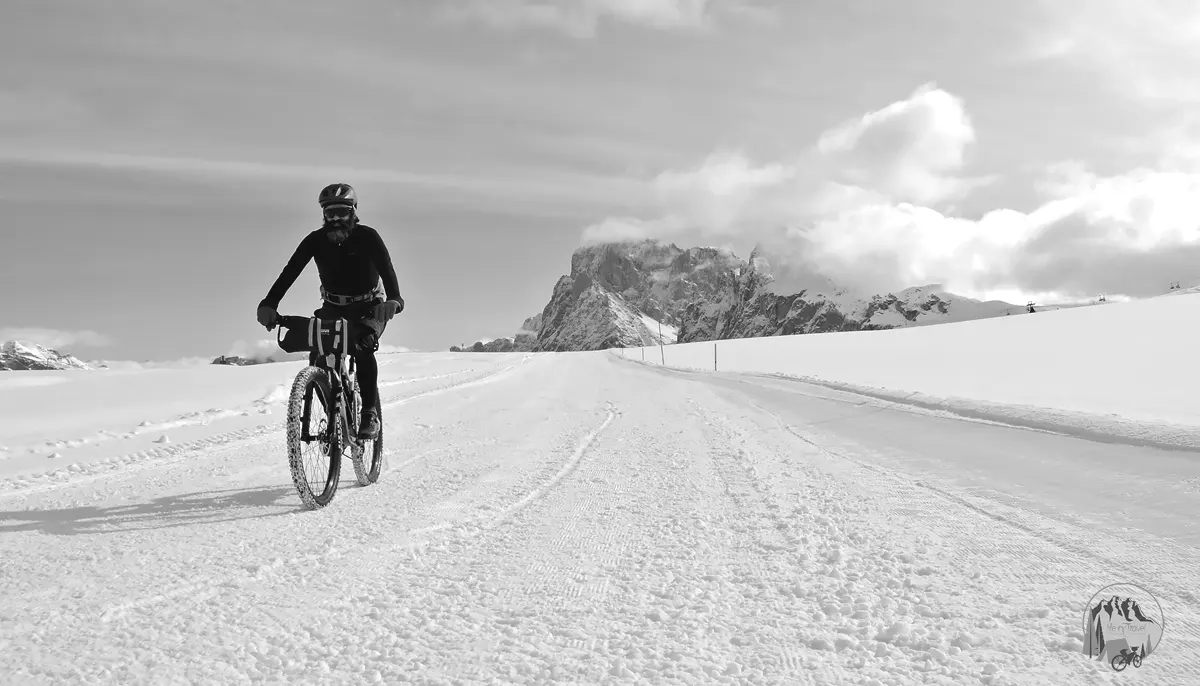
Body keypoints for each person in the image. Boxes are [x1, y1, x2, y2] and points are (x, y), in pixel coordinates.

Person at [255, 183, 404, 438]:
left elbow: (389, 275)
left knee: (364, 345)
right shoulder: (315, 241)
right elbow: (289, 272)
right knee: (319, 354)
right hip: (333, 306)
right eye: (330, 213)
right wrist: (269, 303)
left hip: (370, 306)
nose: (335, 218)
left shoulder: (368, 237)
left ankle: (369, 412)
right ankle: (337, 420)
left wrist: (394, 301)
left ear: (353, 211)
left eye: (342, 212)